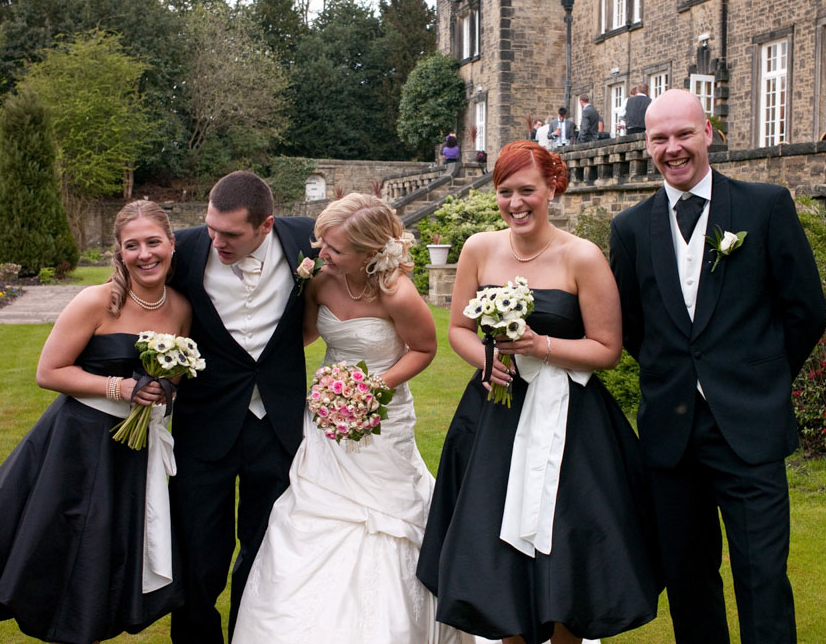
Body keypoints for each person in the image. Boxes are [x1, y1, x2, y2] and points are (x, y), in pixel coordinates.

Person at [417, 140, 662, 644]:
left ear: (553, 186)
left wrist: (540, 344)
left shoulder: (583, 257)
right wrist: (486, 360)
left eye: (526, 189)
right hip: (495, 419)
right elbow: (460, 329)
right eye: (504, 191)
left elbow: (607, 348)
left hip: (571, 423)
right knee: (497, 556)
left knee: (566, 552)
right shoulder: (478, 249)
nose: (515, 202)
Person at [608, 89, 826, 644]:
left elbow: (805, 311)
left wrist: (760, 379)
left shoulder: (764, 205)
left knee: (763, 577)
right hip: (670, 432)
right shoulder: (630, 228)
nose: (673, 148)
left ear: (709, 133)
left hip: (749, 424)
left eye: (684, 134)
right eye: (660, 138)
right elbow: (633, 326)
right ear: (646, 145)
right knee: (687, 578)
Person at [0, 201, 191, 643]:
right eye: (132, 245)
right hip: (79, 444)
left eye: (153, 242)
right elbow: (49, 372)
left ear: (171, 244)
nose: (144, 254)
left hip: (132, 452)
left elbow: (175, 375)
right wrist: (122, 388)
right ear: (119, 251)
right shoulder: (96, 300)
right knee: (68, 548)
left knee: (111, 555)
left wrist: (162, 389)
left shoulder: (181, 307)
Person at [231, 193, 471, 644]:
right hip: (324, 415)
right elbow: (299, 337)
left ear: (370, 252)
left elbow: (423, 349)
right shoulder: (321, 281)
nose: (321, 252)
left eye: (335, 248)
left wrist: (375, 389)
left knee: (386, 522)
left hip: (384, 419)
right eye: (322, 242)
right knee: (309, 510)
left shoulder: (397, 293)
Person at [168, 170, 316, 644]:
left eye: (230, 234)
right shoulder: (183, 249)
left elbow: (368, 252)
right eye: (211, 228)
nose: (216, 241)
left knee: (265, 545)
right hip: (202, 424)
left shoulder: (306, 240)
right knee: (198, 550)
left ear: (266, 225)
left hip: (276, 425)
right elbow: (133, 293)